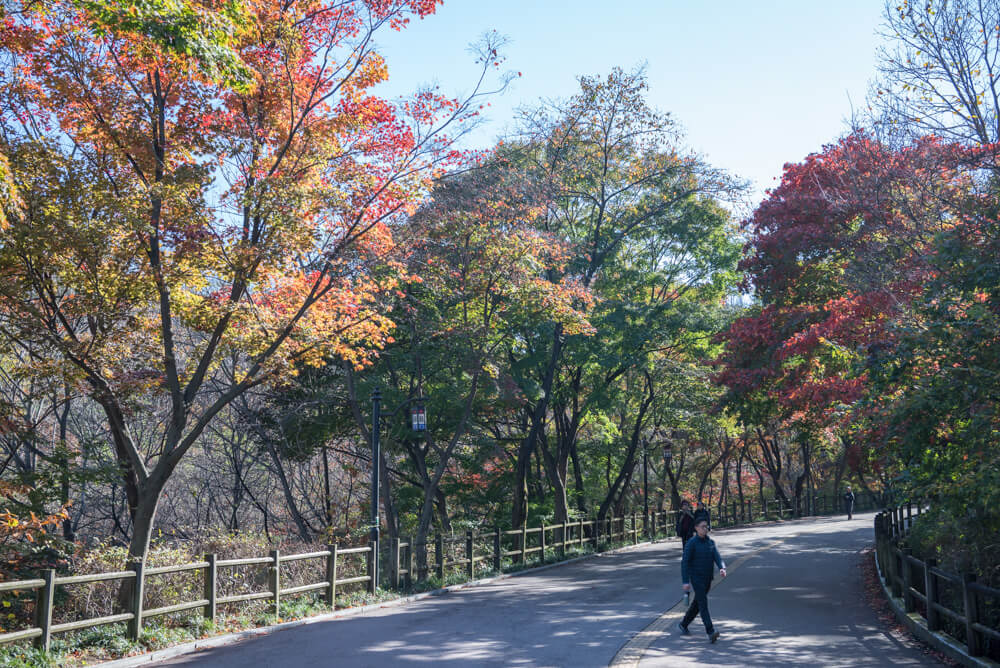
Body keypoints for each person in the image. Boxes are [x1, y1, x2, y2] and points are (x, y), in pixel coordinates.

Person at [677, 518, 726, 643]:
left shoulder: (710, 542)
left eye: (707, 526)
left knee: (697, 604)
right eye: (703, 526)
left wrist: (722, 567)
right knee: (703, 604)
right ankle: (710, 631)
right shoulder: (691, 543)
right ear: (696, 528)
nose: (706, 529)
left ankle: (684, 623)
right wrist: (685, 582)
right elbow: (685, 563)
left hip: (707, 579)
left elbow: (717, 557)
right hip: (696, 578)